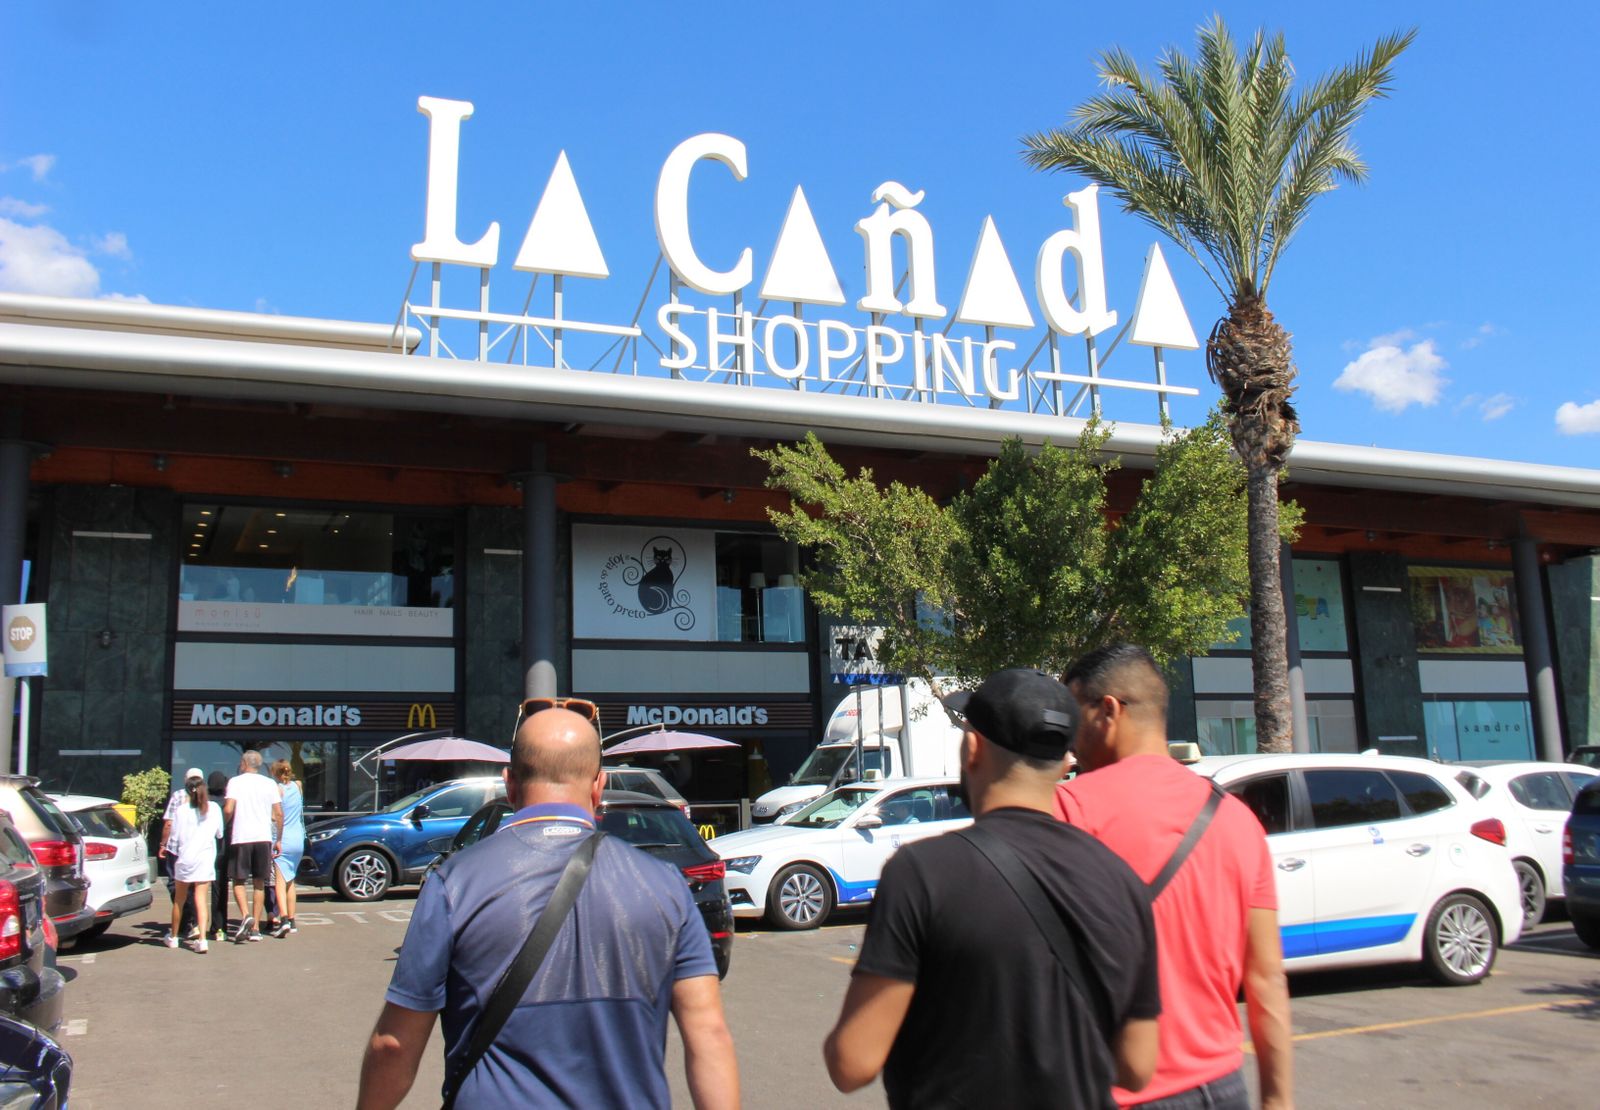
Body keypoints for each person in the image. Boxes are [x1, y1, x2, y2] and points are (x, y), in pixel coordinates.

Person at [357, 703, 739, 1110]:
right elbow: (708, 1035)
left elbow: (395, 1046)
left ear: (509, 784)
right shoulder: (666, 887)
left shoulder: (454, 884)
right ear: (599, 786)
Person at [824, 668, 1161, 1109]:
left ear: (973, 748)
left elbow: (852, 1062)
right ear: (1064, 763)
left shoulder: (922, 873)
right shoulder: (1122, 880)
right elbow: (1137, 1066)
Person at [1057, 644, 1294, 1109]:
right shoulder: (1237, 818)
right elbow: (1266, 979)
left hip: (1118, 1091)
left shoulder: (1068, 810)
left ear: (1108, 711)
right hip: (1222, 1088)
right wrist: (1278, 1100)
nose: (1069, 739)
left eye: (1072, 718)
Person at [223, 750, 283, 944]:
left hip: (241, 836)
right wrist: (279, 838)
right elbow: (279, 813)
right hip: (263, 837)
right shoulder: (269, 783)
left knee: (238, 880)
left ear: (243, 763)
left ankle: (246, 915)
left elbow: (229, 808)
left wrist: (223, 825)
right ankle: (256, 927)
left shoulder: (235, 782)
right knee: (259, 882)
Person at [164, 770, 223, 953]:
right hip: (205, 858)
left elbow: (175, 837)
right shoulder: (214, 808)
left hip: (185, 858)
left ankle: (173, 936)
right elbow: (219, 833)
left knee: (179, 900)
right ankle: (203, 940)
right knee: (201, 898)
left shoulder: (182, 810)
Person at [269, 759, 305, 937]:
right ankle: (292, 919)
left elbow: (276, 816)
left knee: (280, 881)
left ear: (274, 773)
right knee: (291, 880)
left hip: (284, 838)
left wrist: (277, 838)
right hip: (299, 838)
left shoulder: (277, 789)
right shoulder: (298, 786)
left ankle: (282, 918)